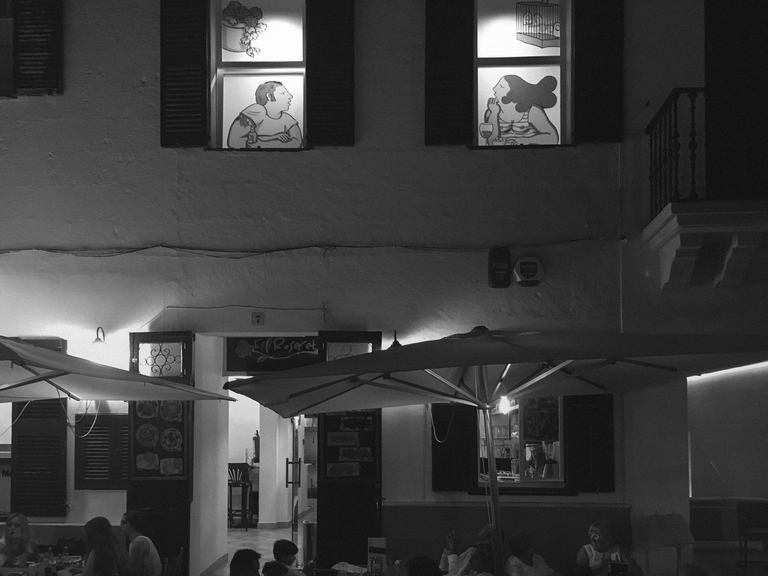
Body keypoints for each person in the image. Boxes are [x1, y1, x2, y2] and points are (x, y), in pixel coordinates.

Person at [481, 75, 559, 146]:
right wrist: (494, 113)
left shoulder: (532, 111)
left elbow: (553, 138)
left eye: (501, 86)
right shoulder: (492, 111)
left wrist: (525, 141)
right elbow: (491, 143)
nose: (494, 89)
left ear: (513, 93)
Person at [227, 81, 303, 149]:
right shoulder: (256, 111)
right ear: (269, 97)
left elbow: (297, 143)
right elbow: (234, 142)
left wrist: (262, 143)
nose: (290, 96)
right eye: (283, 93)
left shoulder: (288, 119)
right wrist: (273, 139)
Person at [575, 522, 641, 576]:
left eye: (595, 536)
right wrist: (600, 566)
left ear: (607, 538)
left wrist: (620, 567)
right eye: (590, 534)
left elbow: (638, 572)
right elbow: (579, 574)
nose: (591, 539)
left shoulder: (618, 549)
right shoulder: (586, 550)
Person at [121, 511, 162, 576]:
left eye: (123, 522)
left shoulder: (139, 541)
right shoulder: (134, 542)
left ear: (133, 524)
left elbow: (133, 572)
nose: (121, 525)